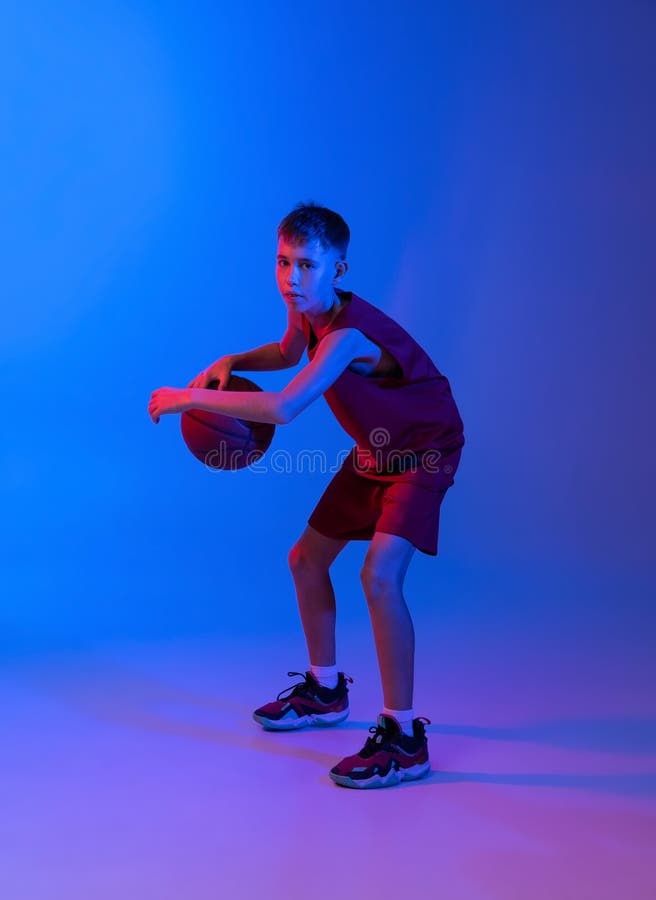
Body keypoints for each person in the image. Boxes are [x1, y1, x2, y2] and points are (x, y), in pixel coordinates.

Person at [148, 201, 465, 789]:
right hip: (377, 447)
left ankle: (404, 739)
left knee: (378, 576)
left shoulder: (348, 336)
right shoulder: (309, 313)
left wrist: (190, 399)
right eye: (283, 262)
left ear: (338, 269)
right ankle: (324, 690)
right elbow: (290, 353)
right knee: (305, 559)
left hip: (424, 450)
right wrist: (235, 360)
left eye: (308, 266)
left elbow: (284, 407)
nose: (292, 279)